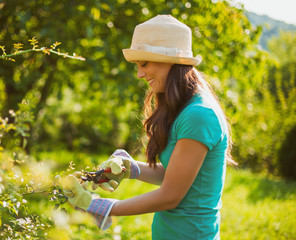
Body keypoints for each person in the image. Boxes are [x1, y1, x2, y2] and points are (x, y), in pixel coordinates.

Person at [62, 14, 237, 240]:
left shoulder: (199, 115)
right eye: (137, 65)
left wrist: (100, 206)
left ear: (173, 61)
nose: (139, 74)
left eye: (144, 63)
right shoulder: (185, 109)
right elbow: (174, 175)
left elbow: (170, 195)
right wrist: (131, 168)